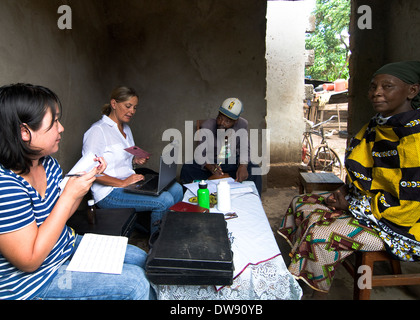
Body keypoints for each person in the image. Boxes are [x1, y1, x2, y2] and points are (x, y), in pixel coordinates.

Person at [278, 60, 420, 295]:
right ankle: (302, 269)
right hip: (372, 207)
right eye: (373, 87)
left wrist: (350, 203)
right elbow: (362, 173)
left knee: (320, 235)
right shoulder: (377, 126)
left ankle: (314, 291)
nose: (376, 93)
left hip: (408, 227)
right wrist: (346, 192)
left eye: (387, 86)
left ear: (412, 91)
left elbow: (408, 206)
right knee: (301, 203)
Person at [0, 83, 153, 300]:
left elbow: (60, 217)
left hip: (64, 246)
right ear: (25, 132)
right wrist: (69, 195)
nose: (61, 128)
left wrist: (85, 182)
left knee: (141, 258)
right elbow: (29, 261)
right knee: (135, 282)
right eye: (54, 122)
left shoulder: (48, 164)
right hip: (36, 280)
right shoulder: (5, 186)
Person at [82, 86, 183, 234]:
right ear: (114, 104)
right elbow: (90, 172)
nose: (132, 111)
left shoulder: (126, 129)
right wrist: (123, 182)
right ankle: (157, 245)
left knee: (177, 188)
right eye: (128, 106)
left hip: (130, 184)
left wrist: (135, 160)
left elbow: (121, 160)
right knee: (164, 200)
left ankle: (169, 232)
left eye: (135, 107)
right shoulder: (97, 131)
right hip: (109, 193)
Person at [180, 98, 262, 196]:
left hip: (232, 163)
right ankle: (187, 203)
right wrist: (209, 166)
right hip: (213, 163)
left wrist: (243, 165)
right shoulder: (207, 126)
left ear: (236, 121)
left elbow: (244, 148)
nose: (222, 123)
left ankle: (254, 201)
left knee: (255, 169)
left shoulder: (242, 124)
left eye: (227, 121)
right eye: (220, 118)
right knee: (187, 168)